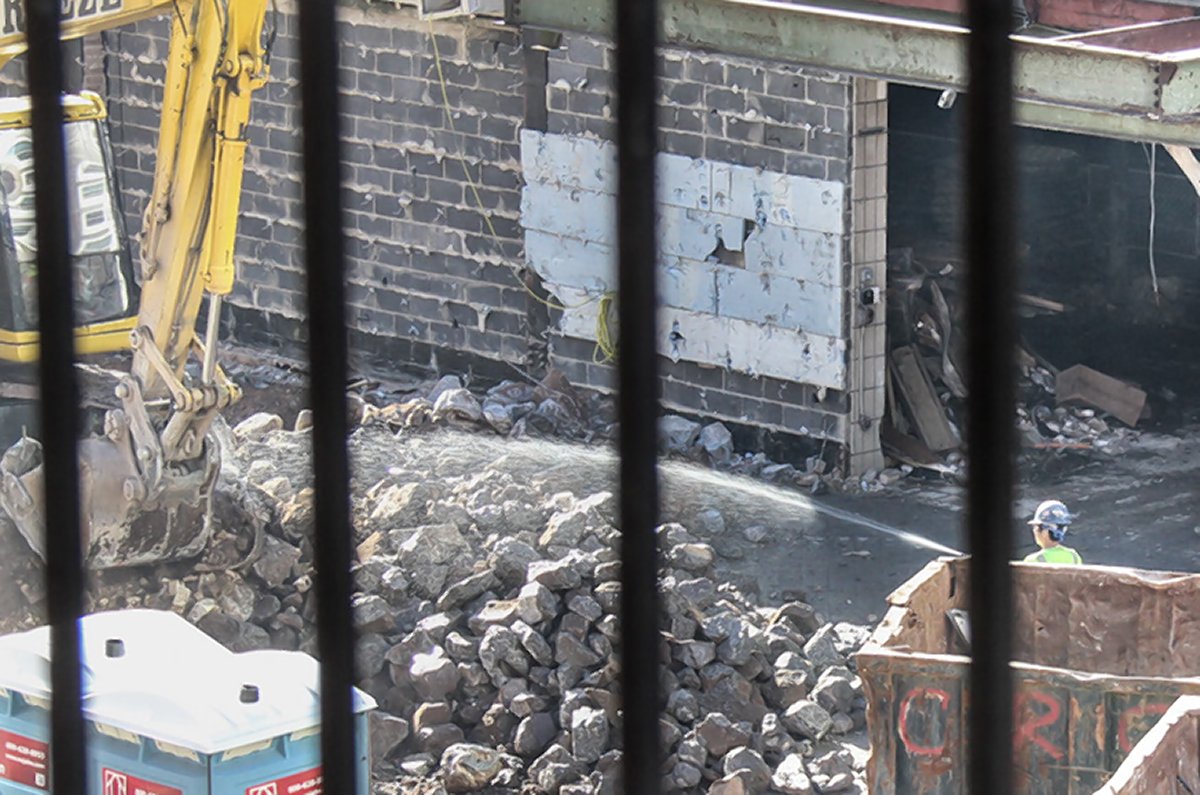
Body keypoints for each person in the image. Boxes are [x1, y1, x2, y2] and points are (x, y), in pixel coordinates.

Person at [1023, 499, 1082, 564]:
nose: (1034, 531)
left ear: (1044, 532)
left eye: (1035, 527)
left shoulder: (1033, 560)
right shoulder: (1074, 556)